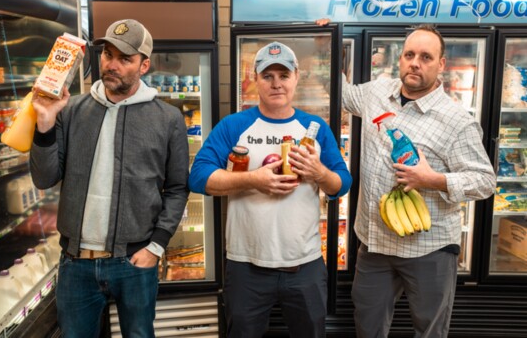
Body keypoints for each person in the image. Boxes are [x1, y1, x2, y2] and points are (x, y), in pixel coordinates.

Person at [316, 20, 496, 337]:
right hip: (374, 245)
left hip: (429, 247)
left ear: (441, 64)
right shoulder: (376, 93)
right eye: (409, 54)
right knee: (368, 328)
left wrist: (434, 180)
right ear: (401, 58)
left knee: (429, 330)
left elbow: (484, 181)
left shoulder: (456, 121)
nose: (415, 63)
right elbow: (341, 94)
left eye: (426, 57)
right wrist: (325, 43)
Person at [29, 19, 189, 338]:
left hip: (134, 262)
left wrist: (157, 245)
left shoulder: (167, 119)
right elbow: (44, 178)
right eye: (107, 54)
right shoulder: (71, 110)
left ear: (144, 65)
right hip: (75, 263)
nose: (112, 65)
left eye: (124, 59)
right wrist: (45, 124)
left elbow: (177, 188)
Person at [189, 41, 352, 338]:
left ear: (296, 77)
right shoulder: (234, 126)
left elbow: (342, 184)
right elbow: (199, 177)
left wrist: (320, 172)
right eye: (268, 76)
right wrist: (253, 179)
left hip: (305, 266)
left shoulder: (315, 128)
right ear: (255, 78)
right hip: (246, 266)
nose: (277, 84)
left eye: (284, 75)